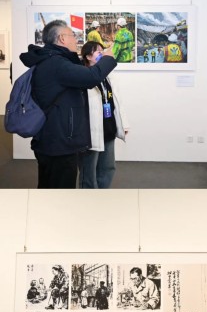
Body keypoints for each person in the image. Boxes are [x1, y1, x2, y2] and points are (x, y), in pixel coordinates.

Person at [19, 19, 117, 188]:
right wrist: (107, 58)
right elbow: (91, 77)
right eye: (73, 35)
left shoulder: (52, 61)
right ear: (62, 38)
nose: (76, 39)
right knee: (60, 189)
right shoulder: (57, 63)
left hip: (53, 137)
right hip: (59, 142)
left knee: (50, 185)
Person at [79, 41, 129, 188]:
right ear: (88, 56)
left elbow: (117, 102)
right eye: (98, 51)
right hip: (91, 133)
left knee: (108, 168)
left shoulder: (108, 76)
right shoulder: (83, 77)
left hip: (108, 129)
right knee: (89, 171)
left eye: (103, 50)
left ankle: (102, 195)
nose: (102, 54)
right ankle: (89, 198)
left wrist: (123, 124)